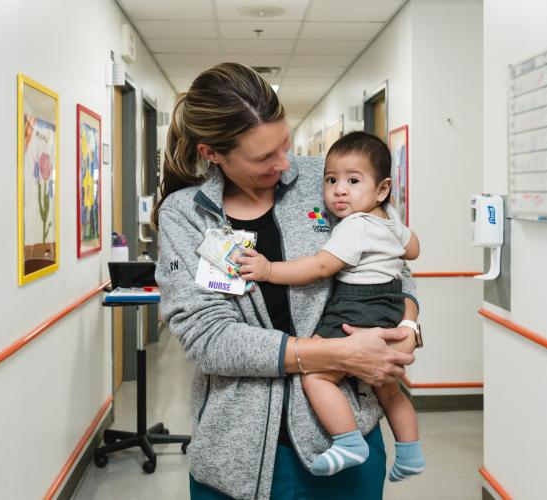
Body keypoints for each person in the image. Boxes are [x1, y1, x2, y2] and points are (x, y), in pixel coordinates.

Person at [153, 62, 420, 500]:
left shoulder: (328, 179)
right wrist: (337, 353)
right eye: (263, 157)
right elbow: (208, 338)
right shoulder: (186, 215)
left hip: (344, 437)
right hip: (236, 453)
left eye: (285, 143)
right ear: (212, 154)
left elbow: (394, 265)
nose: (284, 163)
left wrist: (408, 327)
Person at [237, 131, 425, 481]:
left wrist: (268, 270)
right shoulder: (389, 218)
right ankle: (411, 451)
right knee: (388, 387)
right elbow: (412, 251)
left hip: (357, 308)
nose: (339, 190)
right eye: (331, 180)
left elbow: (320, 267)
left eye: (353, 181)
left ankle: (348, 441)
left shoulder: (354, 227)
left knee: (317, 376)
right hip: (391, 306)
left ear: (382, 188)